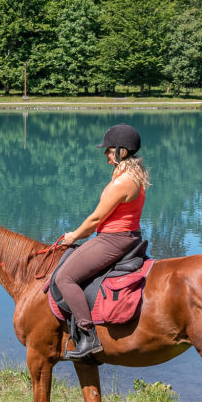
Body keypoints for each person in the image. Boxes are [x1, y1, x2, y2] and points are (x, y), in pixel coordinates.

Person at [54, 124, 150, 359]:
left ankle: (88, 336)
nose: (105, 153)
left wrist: (74, 236)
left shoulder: (123, 181)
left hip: (113, 239)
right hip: (125, 236)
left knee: (64, 278)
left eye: (109, 149)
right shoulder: (131, 176)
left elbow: (96, 218)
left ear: (122, 152)